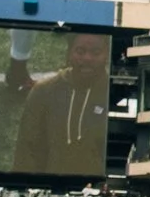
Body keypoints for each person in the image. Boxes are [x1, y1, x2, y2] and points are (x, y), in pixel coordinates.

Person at [8, 31, 110, 178]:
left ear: (106, 55)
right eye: (80, 51)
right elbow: (26, 151)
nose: (87, 58)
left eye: (96, 52)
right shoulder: (43, 91)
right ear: (69, 53)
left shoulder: (112, 92)